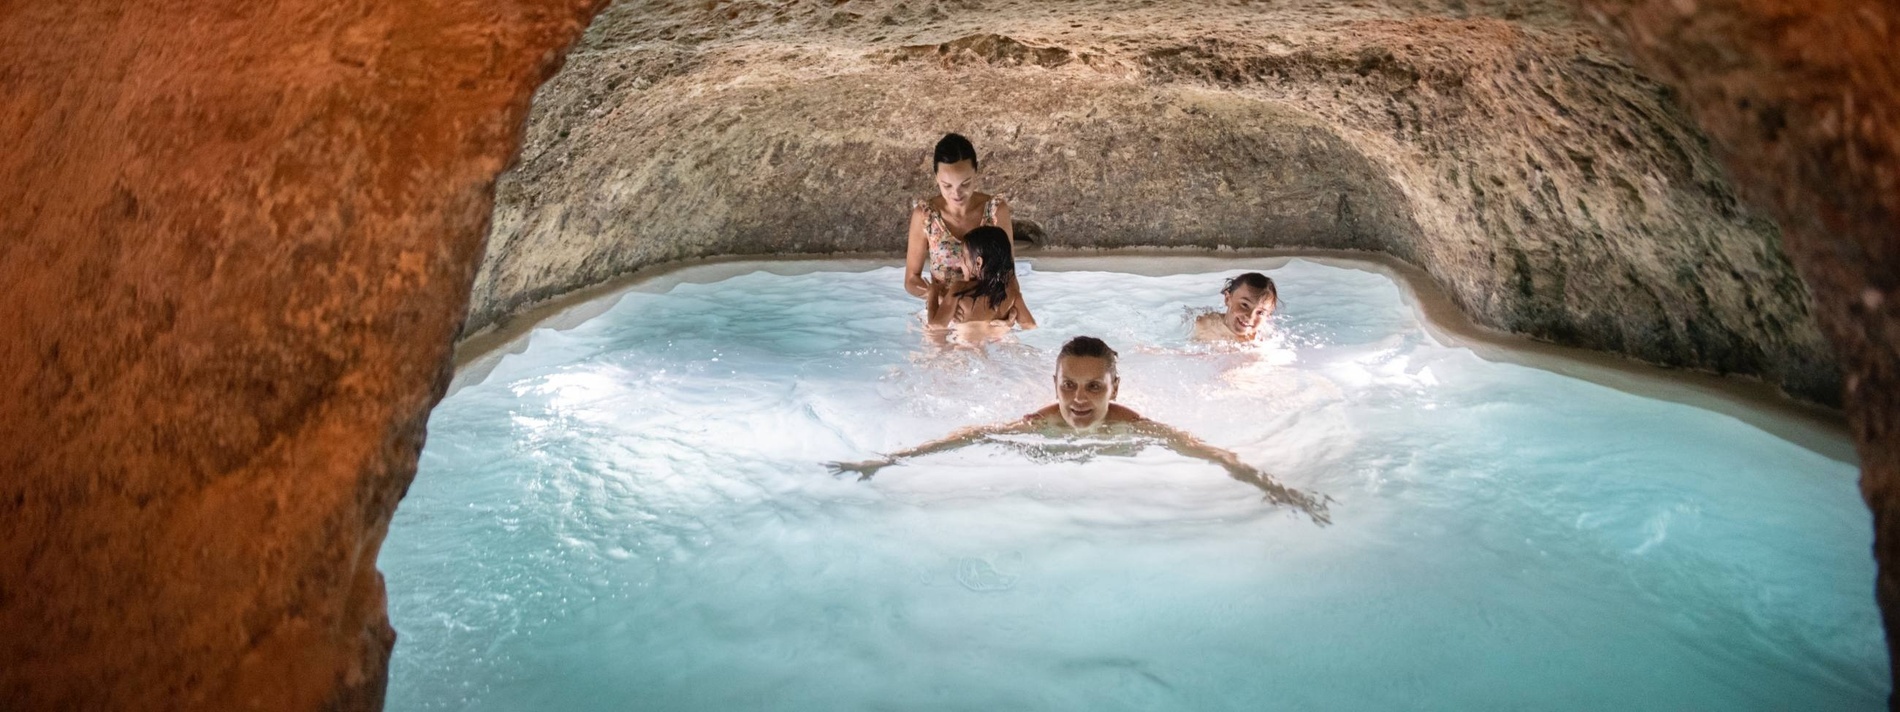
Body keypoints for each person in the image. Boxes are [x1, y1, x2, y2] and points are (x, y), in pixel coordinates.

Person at [826, 336, 1329, 522]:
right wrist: (887, 462)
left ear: (1115, 388)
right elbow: (970, 436)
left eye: (1094, 388)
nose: (1079, 400)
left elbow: (1210, 453)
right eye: (1069, 386)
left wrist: (1270, 486)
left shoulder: (1138, 428)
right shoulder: (1039, 424)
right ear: (1056, 383)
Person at [905, 133, 1036, 328]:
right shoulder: (926, 215)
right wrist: (941, 298)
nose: (956, 193)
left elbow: (1008, 273)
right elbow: (911, 279)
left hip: (990, 312)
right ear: (936, 178)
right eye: (946, 185)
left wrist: (1008, 312)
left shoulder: (995, 211)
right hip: (944, 310)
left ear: (976, 173)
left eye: (965, 184)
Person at [925, 225, 1035, 335]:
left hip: (963, 350)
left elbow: (936, 327)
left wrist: (932, 293)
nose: (959, 263)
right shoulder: (1011, 293)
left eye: (963, 257)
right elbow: (1030, 325)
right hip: (998, 348)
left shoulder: (960, 289)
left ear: (978, 263)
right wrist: (1008, 324)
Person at [1192, 272, 1278, 343]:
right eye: (1245, 305)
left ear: (1268, 316)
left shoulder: (1260, 341)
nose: (1250, 316)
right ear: (1227, 299)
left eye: (1260, 312)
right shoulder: (1204, 324)